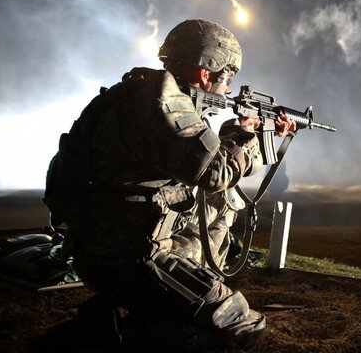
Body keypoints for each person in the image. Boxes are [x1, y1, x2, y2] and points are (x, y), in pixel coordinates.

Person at [43, 18, 295, 351]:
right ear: (206, 72)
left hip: (100, 241)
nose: (229, 90)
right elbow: (215, 175)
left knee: (222, 204)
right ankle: (115, 329)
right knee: (240, 327)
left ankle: (121, 314)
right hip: (129, 255)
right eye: (227, 79)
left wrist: (240, 134)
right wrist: (250, 140)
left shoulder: (138, 91)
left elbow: (194, 160)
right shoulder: (164, 102)